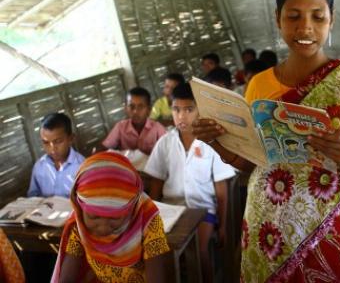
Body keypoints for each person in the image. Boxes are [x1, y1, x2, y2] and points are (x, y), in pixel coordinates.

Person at [192, 0, 340, 282]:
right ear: (278, 18)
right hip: (267, 230)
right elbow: (255, 163)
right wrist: (219, 144)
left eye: (318, 17)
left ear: (332, 19)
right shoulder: (258, 84)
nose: (306, 28)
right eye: (293, 16)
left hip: (329, 234)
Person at [144, 83, 235, 283]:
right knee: (161, 255)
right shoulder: (165, 142)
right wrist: (149, 218)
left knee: (198, 252)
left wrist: (223, 225)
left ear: (199, 110)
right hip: (171, 210)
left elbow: (221, 188)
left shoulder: (212, 142)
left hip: (203, 210)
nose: (182, 116)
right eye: (176, 109)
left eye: (188, 109)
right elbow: (156, 184)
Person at [51, 152, 169, 283]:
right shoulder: (78, 224)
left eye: (114, 218)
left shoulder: (149, 222)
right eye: (94, 217)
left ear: (131, 207)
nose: (103, 227)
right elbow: (67, 279)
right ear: (79, 206)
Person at [28, 112, 84, 197]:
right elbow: (32, 195)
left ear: (71, 139)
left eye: (58, 141)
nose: (52, 148)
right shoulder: (39, 166)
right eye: (46, 142)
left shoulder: (82, 166)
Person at [102, 87, 166, 155]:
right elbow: (105, 147)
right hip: (127, 164)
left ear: (149, 110)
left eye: (140, 107)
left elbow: (168, 149)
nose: (135, 111)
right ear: (126, 109)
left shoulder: (157, 128)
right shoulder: (120, 127)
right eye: (131, 106)